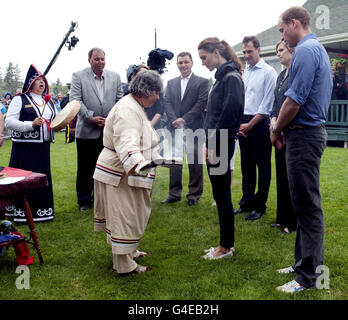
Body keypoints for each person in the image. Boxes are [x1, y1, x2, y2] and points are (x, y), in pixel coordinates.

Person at [273, 6, 333, 293]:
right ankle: (302, 264)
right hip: (304, 135)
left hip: (305, 136)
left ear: (294, 23)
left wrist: (275, 128)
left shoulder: (307, 52)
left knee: (308, 207)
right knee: (302, 204)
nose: (282, 35)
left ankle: (308, 277)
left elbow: (293, 101)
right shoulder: (314, 49)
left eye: (282, 29)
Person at [93, 70, 163, 275]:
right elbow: (126, 140)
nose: (158, 97)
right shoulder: (128, 109)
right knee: (123, 218)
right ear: (146, 91)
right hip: (119, 173)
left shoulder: (134, 105)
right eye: (156, 92)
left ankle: (130, 251)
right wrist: (138, 164)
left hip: (122, 171)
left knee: (130, 215)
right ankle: (124, 266)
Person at [198, 37, 244, 259]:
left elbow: (229, 114)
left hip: (222, 143)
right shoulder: (221, 77)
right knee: (219, 192)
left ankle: (225, 247)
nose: (203, 62)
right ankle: (225, 244)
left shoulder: (231, 77)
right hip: (217, 142)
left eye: (204, 58)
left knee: (222, 194)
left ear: (216, 52)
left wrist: (213, 144)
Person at [70, 47, 123, 211]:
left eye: (102, 59)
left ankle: (105, 200)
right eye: (96, 59)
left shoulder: (115, 77)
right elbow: (75, 101)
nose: (100, 62)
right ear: (89, 60)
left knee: (107, 167)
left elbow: (120, 100)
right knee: (85, 168)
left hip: (108, 131)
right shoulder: (78, 76)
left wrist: (110, 119)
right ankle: (84, 201)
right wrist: (90, 117)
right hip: (86, 131)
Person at [4, 65, 57, 223]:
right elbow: (9, 122)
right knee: (25, 180)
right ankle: (22, 212)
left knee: (41, 179)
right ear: (30, 83)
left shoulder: (48, 102)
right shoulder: (19, 99)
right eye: (38, 80)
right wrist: (31, 124)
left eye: (43, 80)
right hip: (24, 149)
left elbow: (55, 120)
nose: (41, 83)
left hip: (42, 148)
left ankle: (42, 211)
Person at [234, 36, 277, 221]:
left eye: (249, 51)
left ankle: (260, 206)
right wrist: (240, 123)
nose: (246, 55)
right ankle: (246, 202)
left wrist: (250, 125)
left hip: (260, 123)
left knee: (263, 165)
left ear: (258, 50)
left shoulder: (269, 72)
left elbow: (267, 104)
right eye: (243, 52)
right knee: (246, 165)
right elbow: (242, 99)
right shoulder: (245, 73)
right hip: (244, 122)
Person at [161, 52, 209, 206]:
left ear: (192, 63)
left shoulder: (202, 82)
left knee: (195, 162)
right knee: (175, 162)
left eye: (185, 62)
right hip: (174, 128)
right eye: (180, 62)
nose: (183, 65)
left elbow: (201, 104)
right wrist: (174, 119)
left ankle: (194, 195)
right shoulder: (171, 82)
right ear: (177, 64)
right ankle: (174, 194)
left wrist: (184, 119)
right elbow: (166, 102)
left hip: (194, 128)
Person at [269, 39, 297, 235]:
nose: (278, 54)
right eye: (277, 51)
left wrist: (279, 128)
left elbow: (291, 103)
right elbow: (275, 103)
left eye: (281, 50)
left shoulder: (295, 74)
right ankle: (281, 218)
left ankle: (292, 222)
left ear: (291, 50)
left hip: (290, 132)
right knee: (280, 175)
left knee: (291, 178)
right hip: (277, 130)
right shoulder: (280, 76)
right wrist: (272, 124)